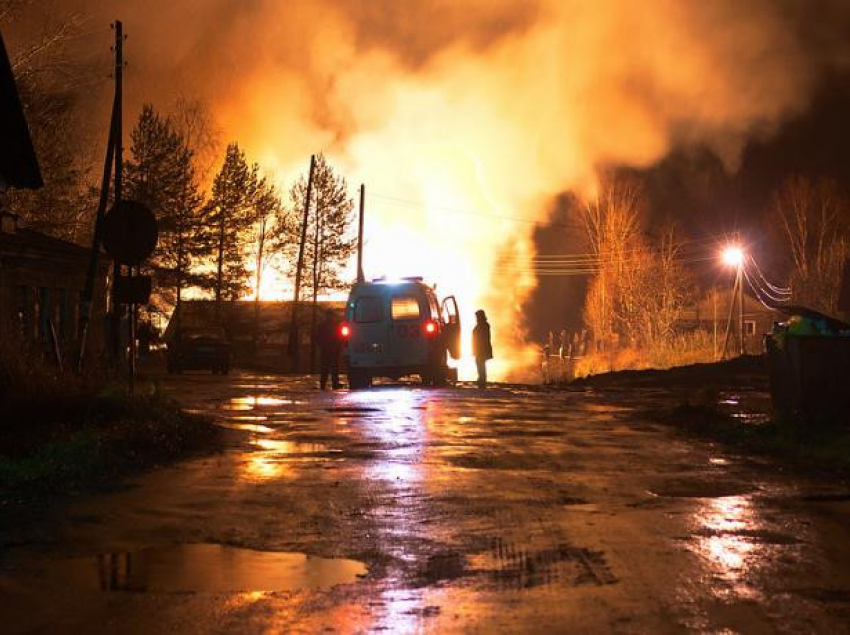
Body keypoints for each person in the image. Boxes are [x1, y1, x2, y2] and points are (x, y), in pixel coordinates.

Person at [315, 310, 343, 390]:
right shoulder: (336, 325)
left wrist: (322, 346)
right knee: (333, 368)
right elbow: (341, 337)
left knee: (326, 368)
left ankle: (324, 384)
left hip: (327, 349)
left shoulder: (322, 326)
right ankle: (333, 384)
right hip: (332, 349)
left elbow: (317, 338)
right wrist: (339, 345)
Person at [472, 309, 493, 388]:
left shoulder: (483, 325)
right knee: (480, 364)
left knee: (480, 364)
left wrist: (479, 348)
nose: (476, 318)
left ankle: (482, 380)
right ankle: (481, 379)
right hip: (480, 349)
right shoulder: (483, 325)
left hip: (482, 349)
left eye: (477, 316)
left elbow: (483, 338)